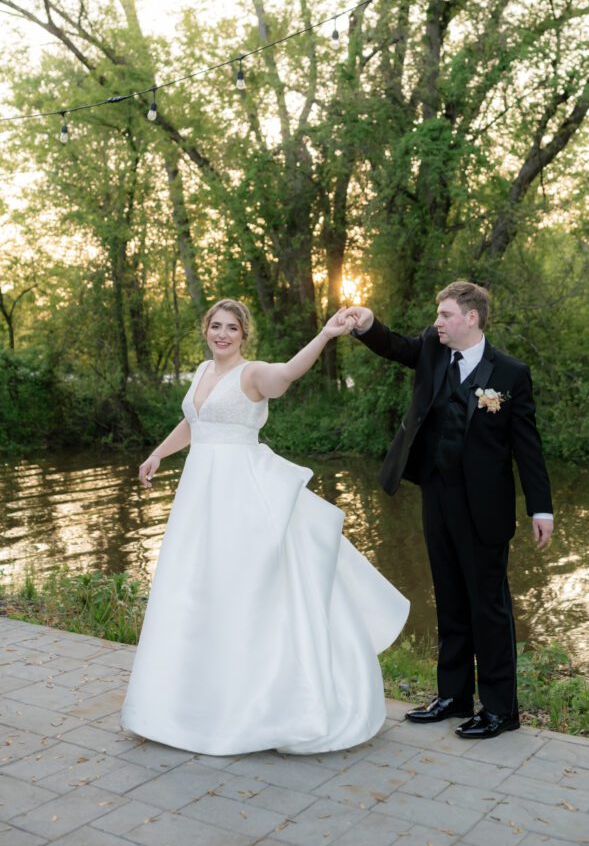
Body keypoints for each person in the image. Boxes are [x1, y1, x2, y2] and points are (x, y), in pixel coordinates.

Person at [121, 298, 409, 755]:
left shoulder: (252, 373)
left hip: (240, 495)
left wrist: (326, 334)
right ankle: (190, 702)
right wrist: (158, 453)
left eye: (231, 328)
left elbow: (288, 373)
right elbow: (193, 423)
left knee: (247, 589)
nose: (222, 334)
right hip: (200, 496)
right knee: (195, 588)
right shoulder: (202, 371)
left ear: (243, 334)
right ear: (206, 330)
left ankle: (256, 706)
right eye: (216, 326)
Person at [344, 281, 553, 740]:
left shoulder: (511, 373)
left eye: (445, 315)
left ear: (471, 318)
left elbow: (528, 447)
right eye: (438, 315)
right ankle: (454, 697)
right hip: (437, 495)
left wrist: (542, 509)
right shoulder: (433, 350)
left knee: (489, 607)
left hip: (486, 506)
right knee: (449, 597)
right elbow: (396, 346)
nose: (437, 322)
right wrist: (367, 325)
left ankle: (500, 710)